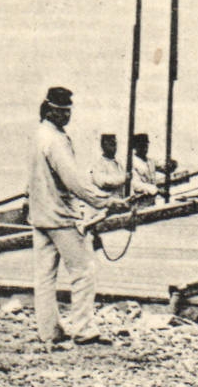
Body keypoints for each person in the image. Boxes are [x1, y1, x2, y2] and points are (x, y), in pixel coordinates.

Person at [28, 87, 122, 348]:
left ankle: (49, 332)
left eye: (69, 111)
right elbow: (74, 182)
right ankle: (83, 329)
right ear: (52, 111)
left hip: (40, 216)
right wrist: (105, 201)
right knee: (84, 271)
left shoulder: (38, 135)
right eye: (63, 111)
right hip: (61, 217)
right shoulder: (56, 140)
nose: (68, 116)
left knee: (45, 276)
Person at [128, 133, 163, 197]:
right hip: (140, 198)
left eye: (146, 146)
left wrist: (172, 165)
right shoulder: (132, 162)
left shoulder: (151, 161)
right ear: (135, 147)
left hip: (152, 197)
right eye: (141, 146)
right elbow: (135, 184)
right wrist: (156, 190)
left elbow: (162, 167)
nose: (144, 149)